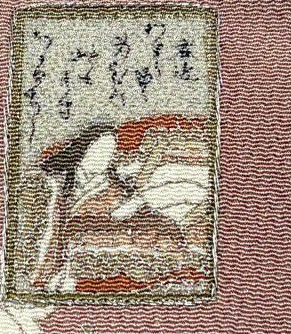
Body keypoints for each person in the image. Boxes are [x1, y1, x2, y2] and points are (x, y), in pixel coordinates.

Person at [30, 114, 213, 293]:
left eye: (108, 151)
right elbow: (56, 233)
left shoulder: (114, 179)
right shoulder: (60, 186)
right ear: (81, 153)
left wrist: (134, 198)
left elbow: (134, 187)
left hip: (135, 213)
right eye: (97, 151)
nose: (102, 158)